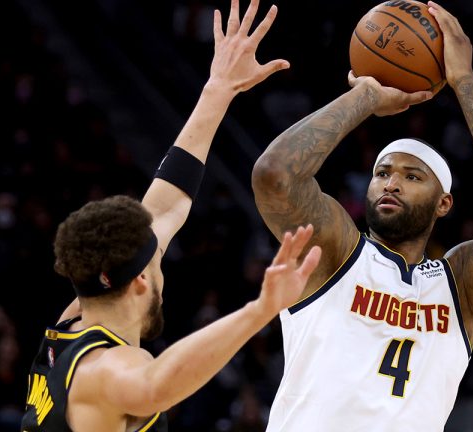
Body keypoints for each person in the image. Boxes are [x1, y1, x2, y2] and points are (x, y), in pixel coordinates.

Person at [20, 0, 322, 430]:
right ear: (140, 278)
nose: (161, 249)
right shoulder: (104, 371)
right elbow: (155, 386)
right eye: (157, 257)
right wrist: (261, 309)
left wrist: (219, 89)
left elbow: (165, 206)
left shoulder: (74, 321)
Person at [251, 2, 473, 430]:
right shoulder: (335, 253)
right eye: (382, 173)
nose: (391, 183)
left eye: (412, 177)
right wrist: (366, 96)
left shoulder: (460, 286)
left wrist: (464, 83)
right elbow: (274, 175)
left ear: (443, 203)